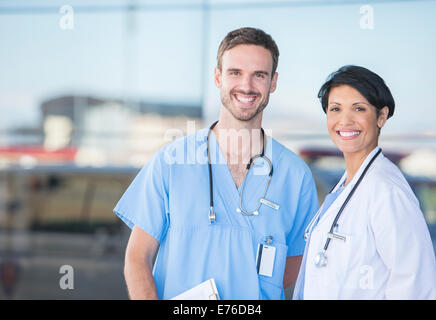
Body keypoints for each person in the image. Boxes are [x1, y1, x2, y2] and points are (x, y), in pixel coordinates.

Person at [113, 27, 318, 300]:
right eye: (235, 73)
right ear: (218, 76)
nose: (246, 86)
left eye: (259, 75)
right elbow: (138, 257)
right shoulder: (172, 161)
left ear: (273, 83)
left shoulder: (295, 175)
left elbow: (294, 264)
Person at [293, 65, 436, 299]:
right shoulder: (346, 186)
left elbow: (416, 286)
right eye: (335, 109)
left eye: (358, 108)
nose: (345, 120)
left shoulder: (387, 190)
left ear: (381, 116)